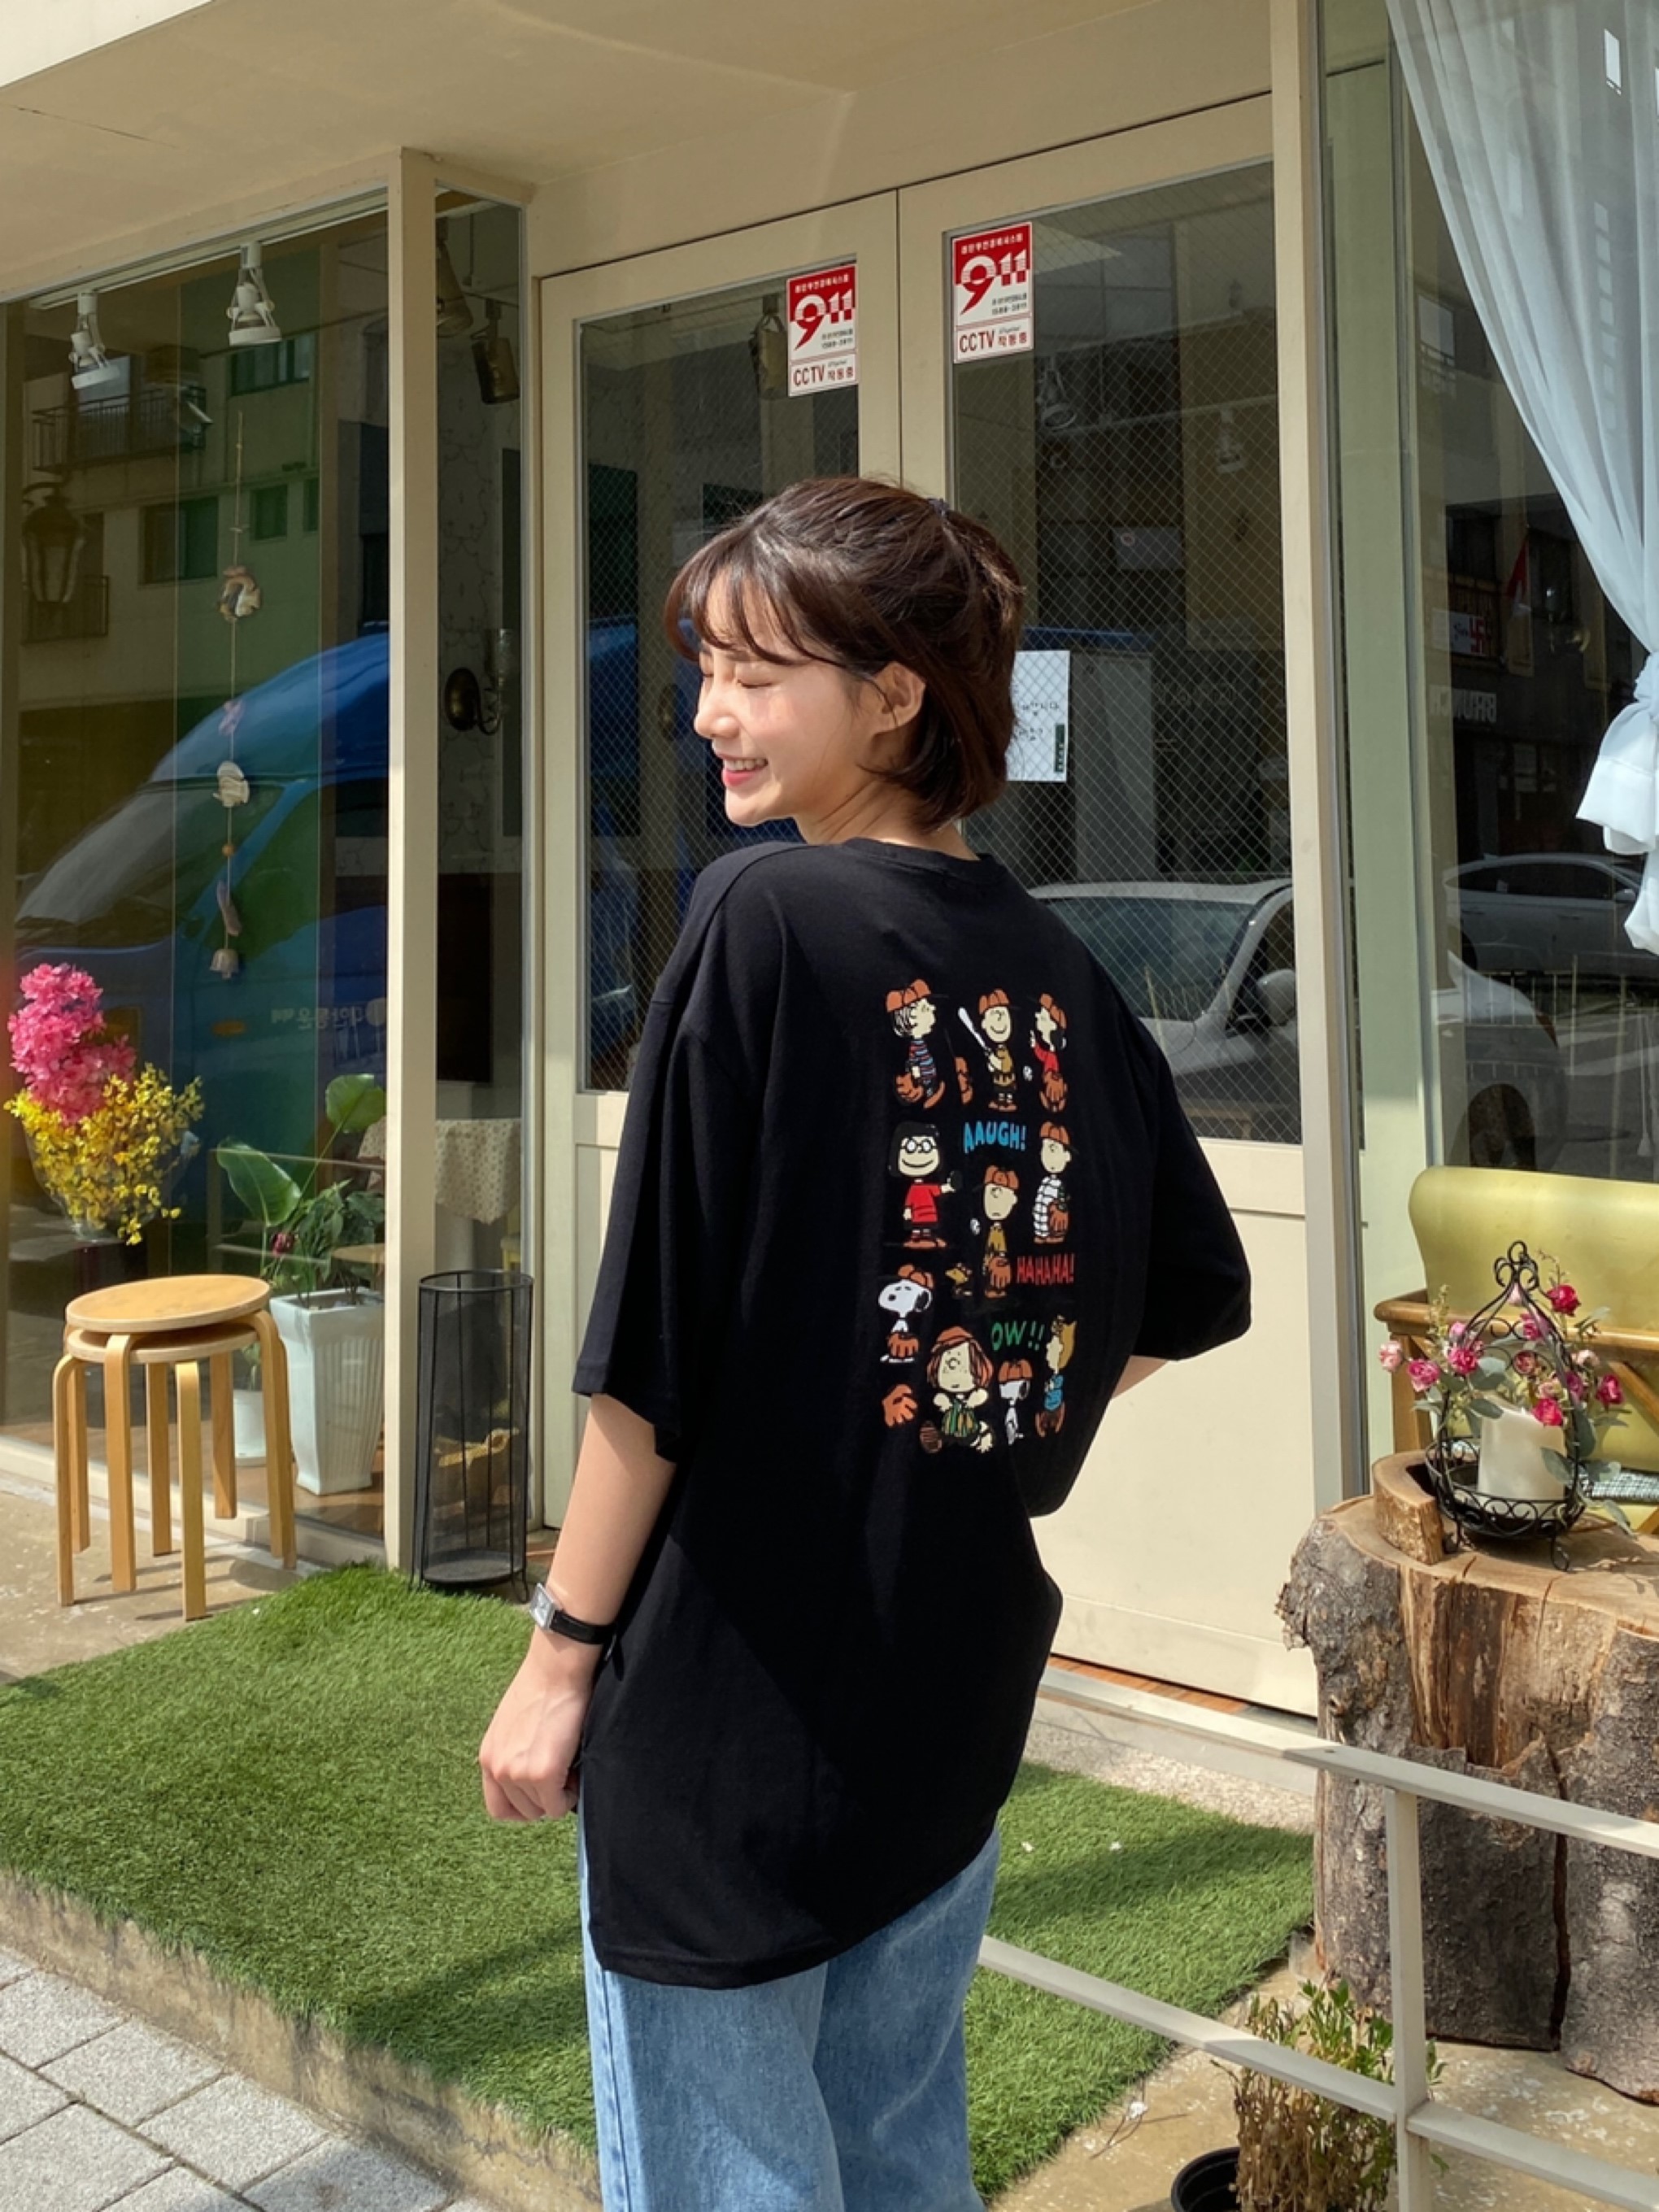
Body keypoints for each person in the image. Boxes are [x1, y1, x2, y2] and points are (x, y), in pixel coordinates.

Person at [478, 477, 1250, 2211]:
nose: (707, 714)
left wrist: (561, 1652)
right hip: (948, 1685)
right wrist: (965, 1424)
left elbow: (654, 1350)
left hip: (734, 1709)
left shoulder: (760, 914)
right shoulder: (1060, 967)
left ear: (895, 694)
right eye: (704, 672)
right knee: (899, 2152)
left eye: (754, 676)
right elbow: (1180, 1295)